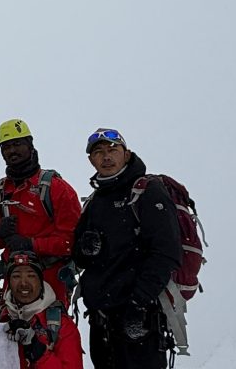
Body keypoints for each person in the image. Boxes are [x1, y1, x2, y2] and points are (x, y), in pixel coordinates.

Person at [72, 128, 182, 369]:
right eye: (98, 152)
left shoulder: (146, 191)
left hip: (140, 319)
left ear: (126, 154)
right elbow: (78, 258)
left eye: (112, 149)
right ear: (91, 160)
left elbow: (166, 253)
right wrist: (85, 248)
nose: (106, 156)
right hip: (101, 320)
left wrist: (138, 304)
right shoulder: (95, 201)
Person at [0, 119, 81, 306]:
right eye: (6, 147)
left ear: (30, 145)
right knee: (7, 324)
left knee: (52, 325)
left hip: (51, 280)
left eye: (17, 144)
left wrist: (31, 245)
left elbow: (72, 241)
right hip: (12, 280)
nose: (12, 151)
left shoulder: (56, 188)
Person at [0, 252, 83, 369]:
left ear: (41, 281)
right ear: (9, 282)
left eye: (31, 276)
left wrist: (38, 352)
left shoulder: (61, 326)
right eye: (16, 276)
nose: (23, 283)